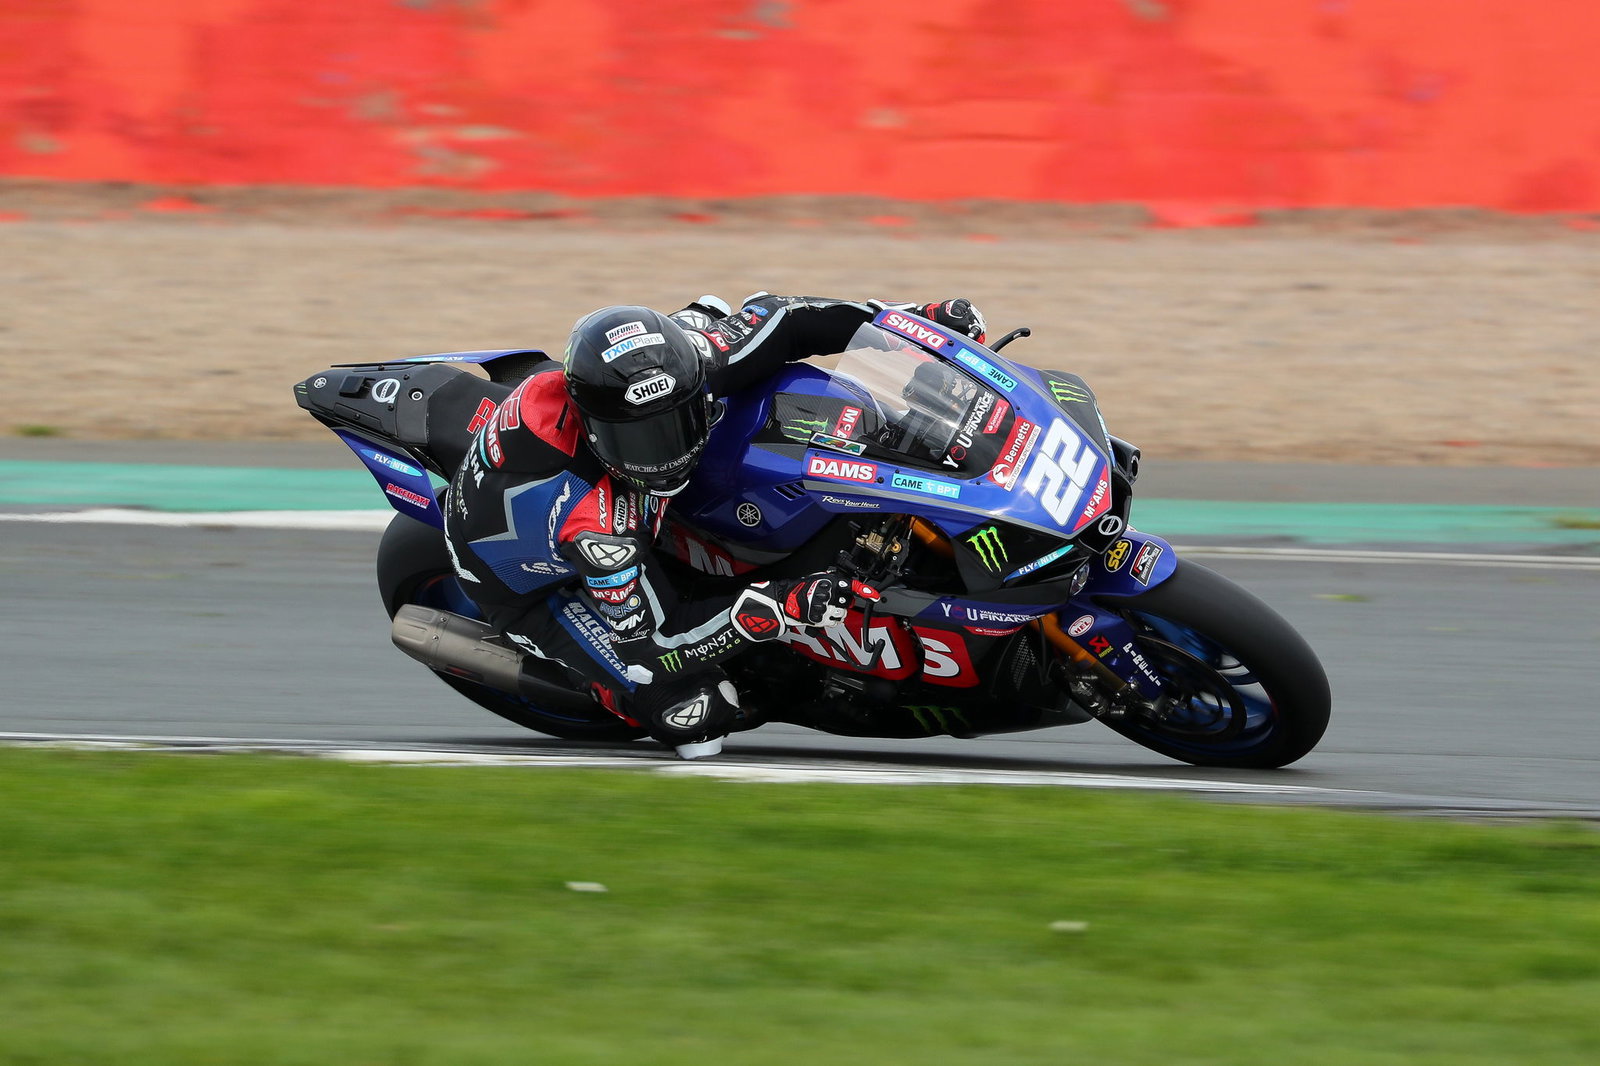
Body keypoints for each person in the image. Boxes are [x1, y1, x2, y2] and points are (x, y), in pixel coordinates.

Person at [442, 293, 987, 757]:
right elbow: (659, 640)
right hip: (535, 585)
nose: (666, 452)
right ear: (593, 428)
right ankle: (600, 688)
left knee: (721, 332)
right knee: (692, 711)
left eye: (677, 422)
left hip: (612, 492)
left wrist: (911, 323)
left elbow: (785, 317)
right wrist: (775, 607)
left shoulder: (689, 362)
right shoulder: (594, 528)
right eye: (641, 440)